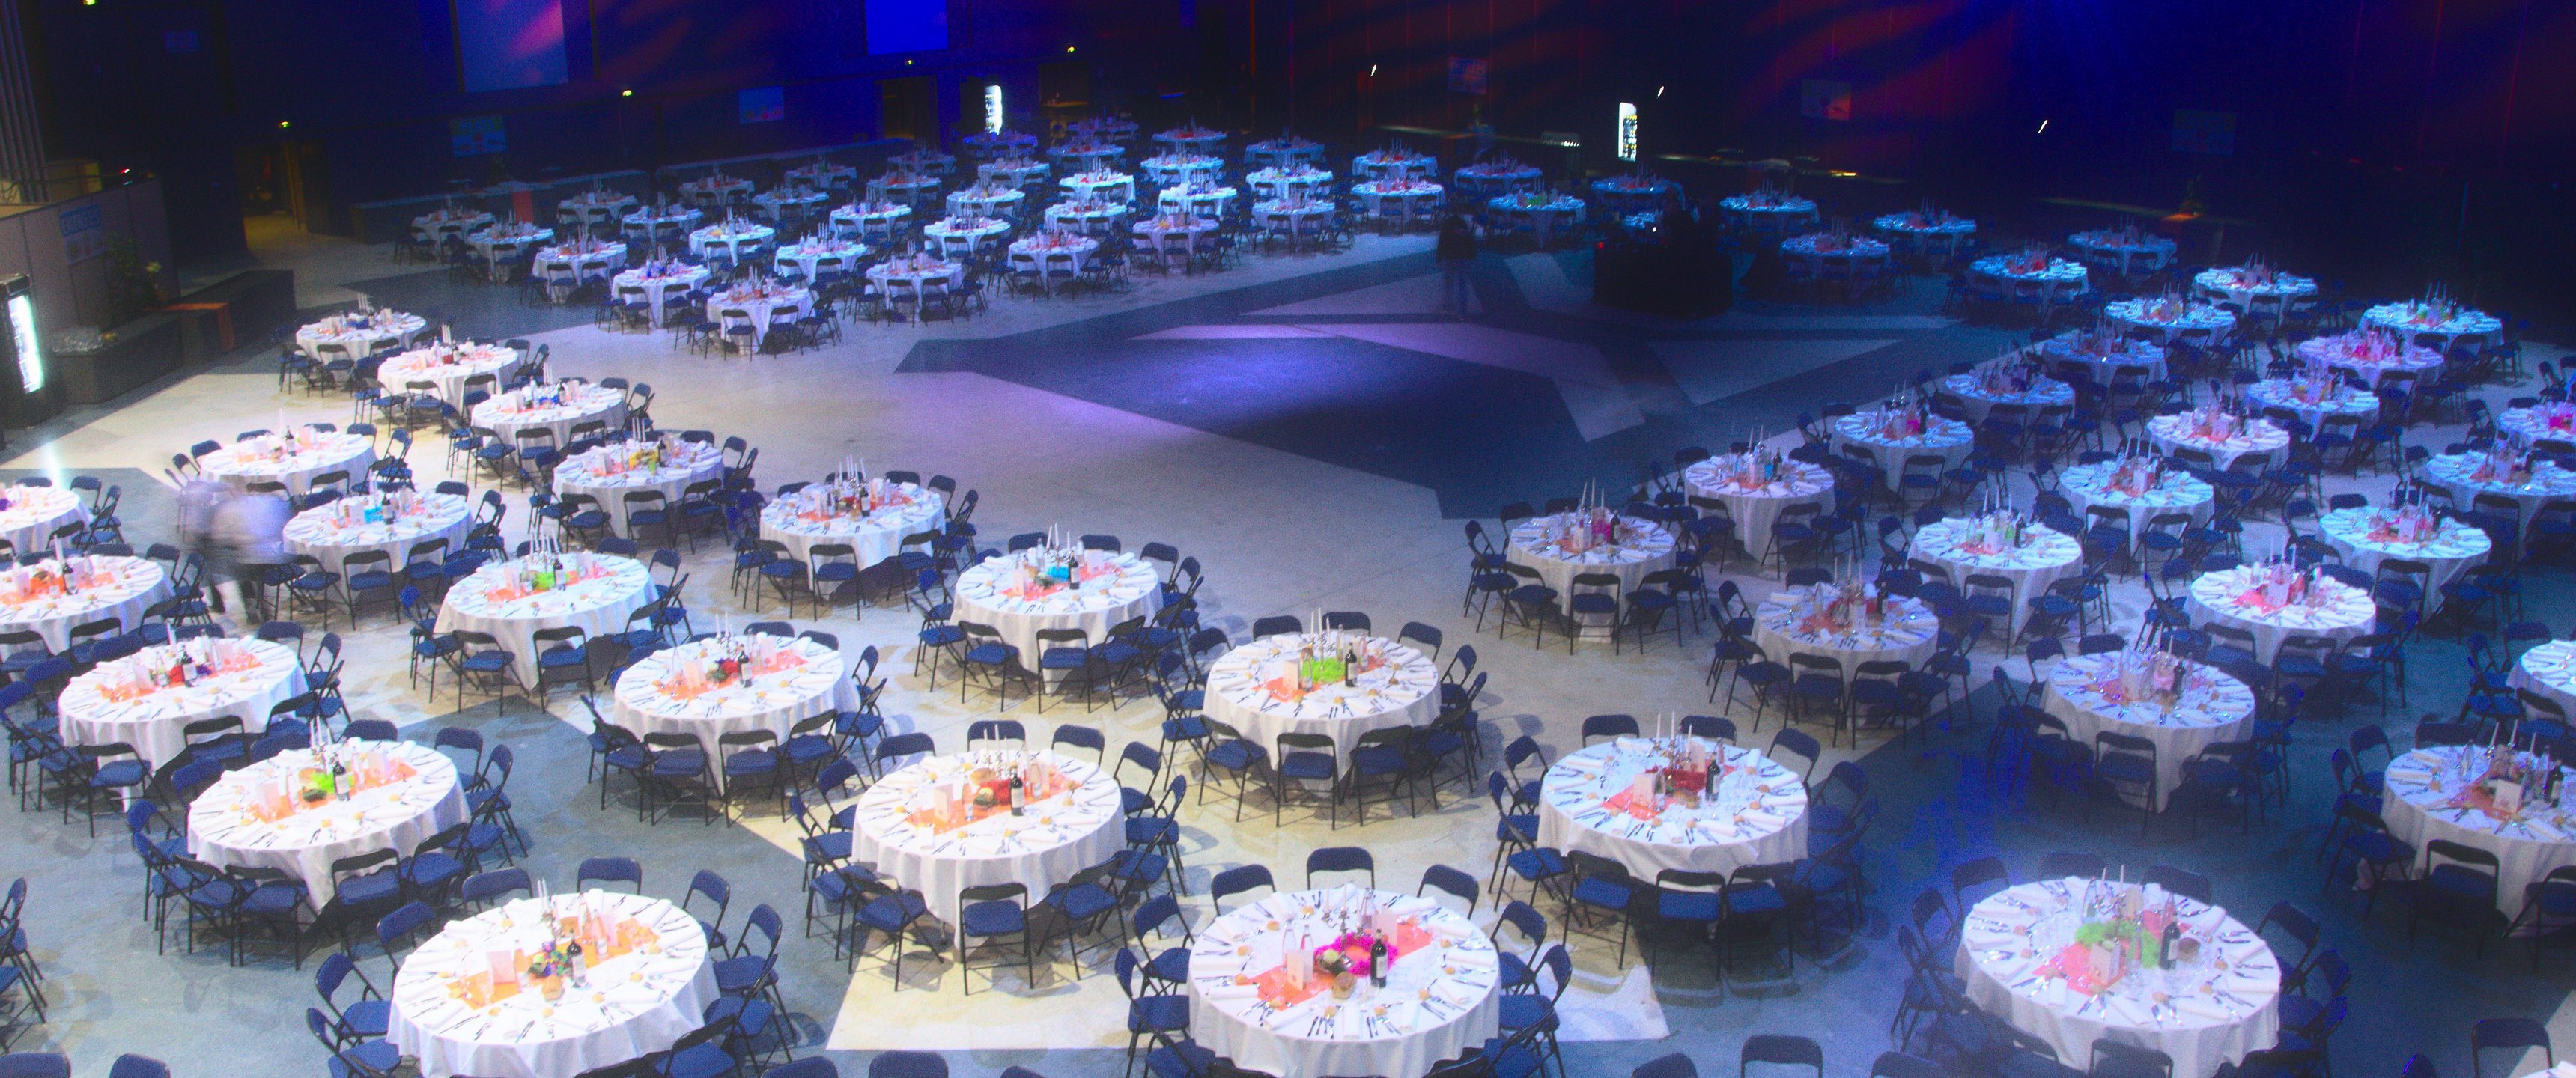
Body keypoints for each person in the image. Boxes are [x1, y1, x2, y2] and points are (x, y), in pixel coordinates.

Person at [210, 487, 291, 624]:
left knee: (238, 568)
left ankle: (252, 609)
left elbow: (220, 536)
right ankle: (259, 608)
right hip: (275, 555)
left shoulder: (229, 509)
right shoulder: (270, 502)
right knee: (244, 566)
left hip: (250, 558)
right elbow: (283, 525)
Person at [1436, 215, 1476, 315]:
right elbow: (1469, 241)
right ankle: (1462, 309)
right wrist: (1471, 255)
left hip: (1450, 257)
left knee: (1449, 283)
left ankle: (1448, 307)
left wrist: (1439, 256)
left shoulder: (1446, 224)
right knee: (1462, 283)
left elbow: (1442, 241)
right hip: (1462, 257)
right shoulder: (1463, 224)